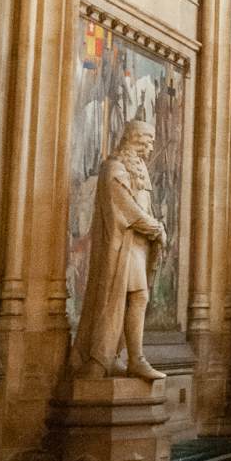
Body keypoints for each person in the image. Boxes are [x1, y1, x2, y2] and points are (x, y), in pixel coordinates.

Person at [70, 117, 167, 381]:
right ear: (135, 139)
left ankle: (123, 357)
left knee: (136, 298)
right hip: (120, 248)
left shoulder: (137, 169)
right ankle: (106, 359)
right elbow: (128, 211)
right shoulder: (113, 169)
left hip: (136, 248)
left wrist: (154, 227)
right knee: (121, 300)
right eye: (148, 140)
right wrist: (156, 228)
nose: (151, 146)